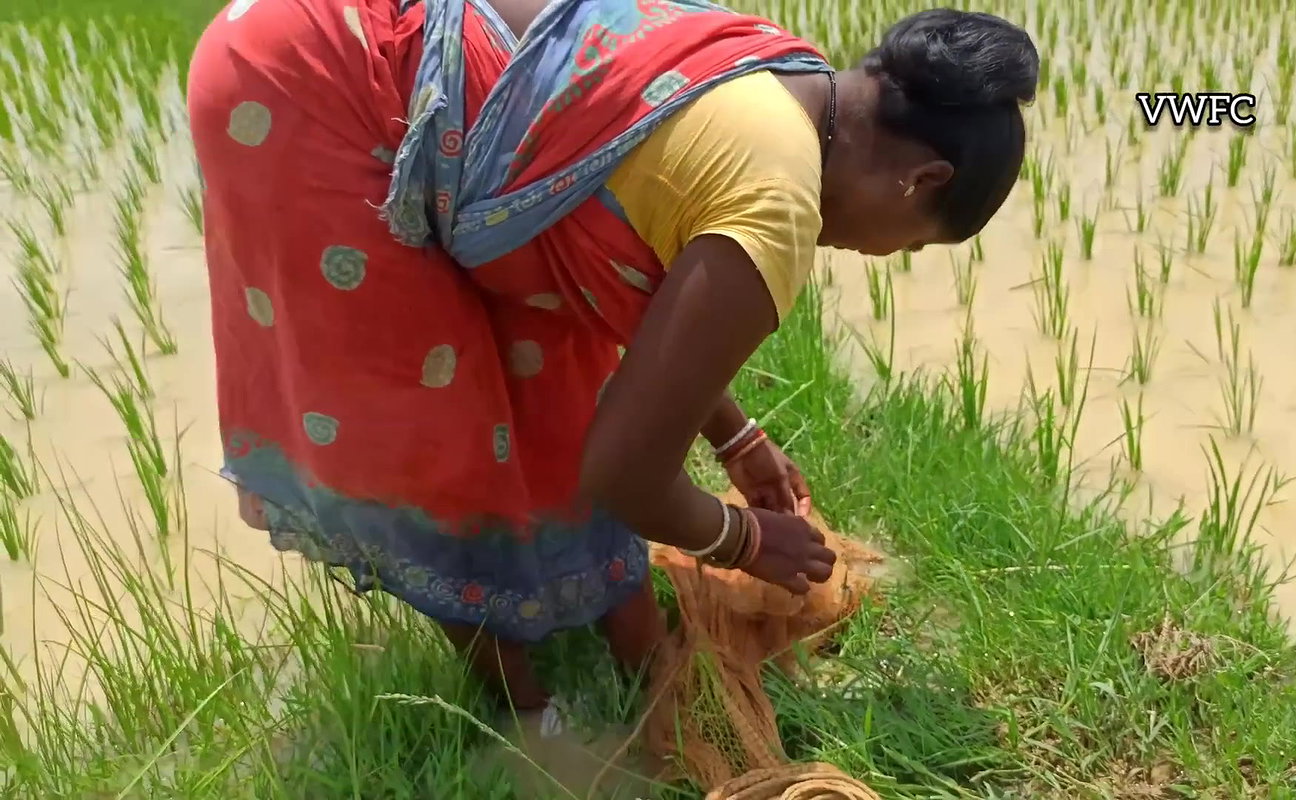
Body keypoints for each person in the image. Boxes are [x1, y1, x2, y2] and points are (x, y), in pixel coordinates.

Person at [187, 0, 1037, 710]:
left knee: (555, 358)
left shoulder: (781, 73)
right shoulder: (776, 208)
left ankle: (639, 663)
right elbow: (623, 476)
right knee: (431, 419)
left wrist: (735, 438)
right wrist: (743, 542)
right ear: (920, 181)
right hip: (309, 81)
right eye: (916, 246)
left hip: (399, 67)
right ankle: (528, 719)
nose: (888, 258)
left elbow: (630, 265)